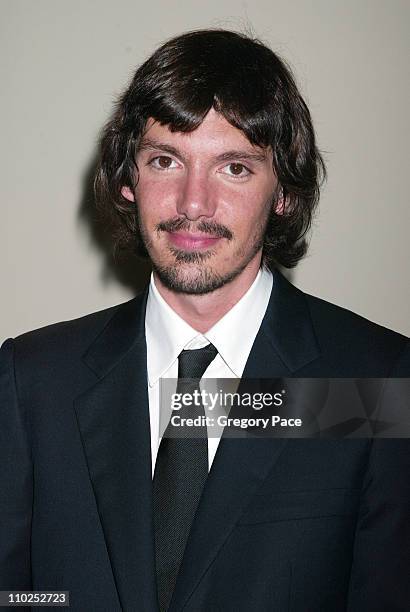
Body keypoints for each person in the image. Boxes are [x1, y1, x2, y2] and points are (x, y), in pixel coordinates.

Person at [1, 29, 409, 612]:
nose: (194, 203)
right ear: (127, 181)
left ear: (283, 194)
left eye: (234, 168)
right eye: (165, 161)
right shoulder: (31, 382)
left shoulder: (376, 384)